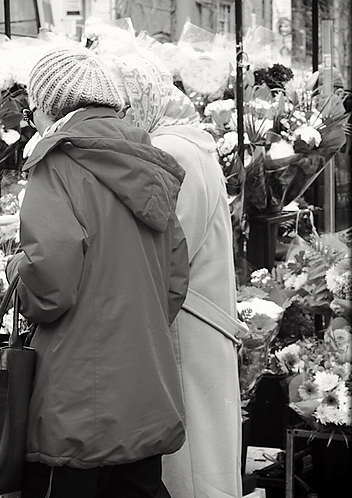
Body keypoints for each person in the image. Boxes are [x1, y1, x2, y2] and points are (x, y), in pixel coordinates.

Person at [6, 46, 189, 498]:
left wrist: (14, 270)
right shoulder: (148, 163)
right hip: (144, 391)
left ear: (49, 107)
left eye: (31, 111)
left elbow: (50, 285)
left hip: (74, 397)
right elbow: (175, 279)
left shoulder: (58, 163)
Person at [107, 53, 246, 498]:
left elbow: (162, 252)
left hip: (186, 323)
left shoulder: (171, 150)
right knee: (204, 452)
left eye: (121, 105)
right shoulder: (188, 141)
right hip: (198, 317)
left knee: (192, 462)